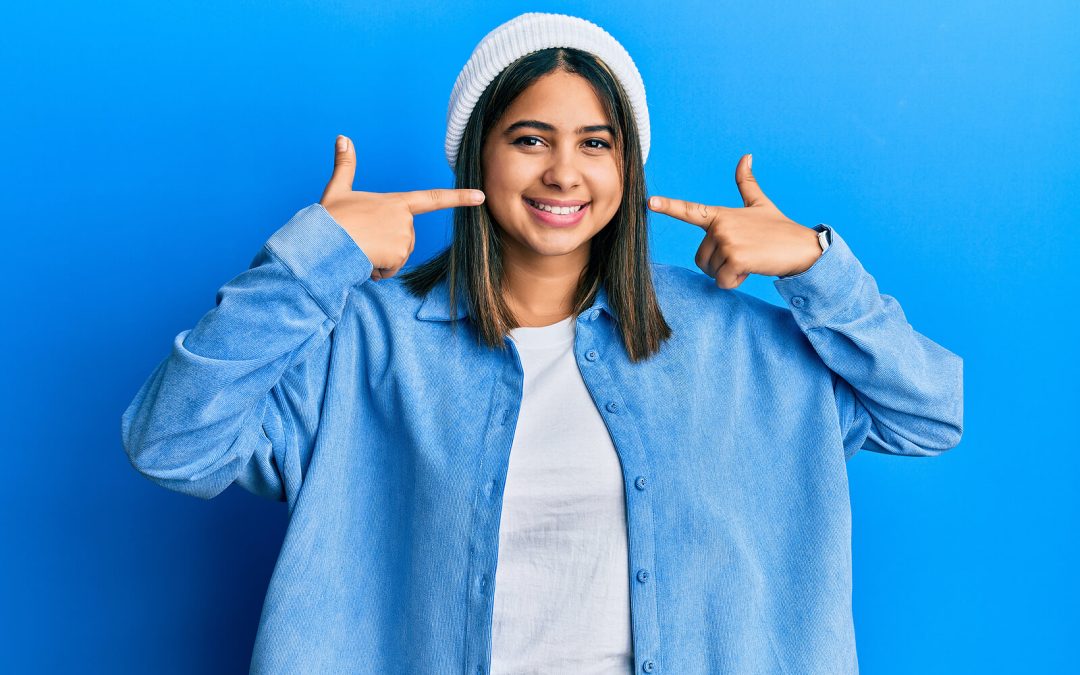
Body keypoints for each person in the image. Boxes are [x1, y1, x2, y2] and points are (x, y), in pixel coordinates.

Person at [120, 12, 963, 675]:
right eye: (530, 139)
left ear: (626, 169)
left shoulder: (735, 343)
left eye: (596, 143)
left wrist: (817, 263)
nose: (564, 172)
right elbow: (172, 446)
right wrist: (310, 260)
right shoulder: (364, 343)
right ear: (477, 153)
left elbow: (929, 412)